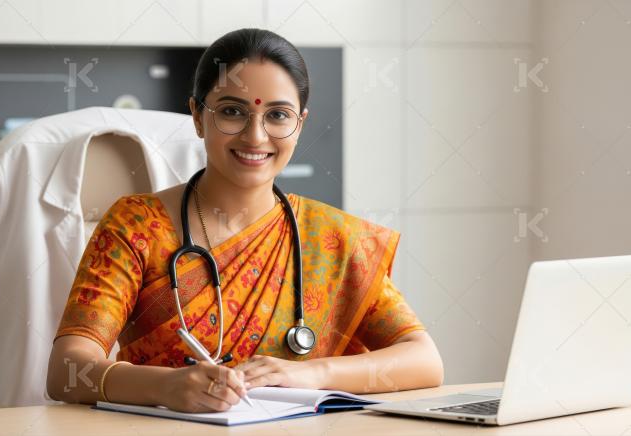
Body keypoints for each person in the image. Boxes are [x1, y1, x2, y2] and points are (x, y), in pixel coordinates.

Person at [47, 28, 444, 413]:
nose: (256, 136)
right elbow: (66, 371)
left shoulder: (332, 239)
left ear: (299, 125)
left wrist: (312, 374)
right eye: (233, 112)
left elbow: (424, 361)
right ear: (198, 117)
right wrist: (164, 387)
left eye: (278, 115)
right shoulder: (136, 225)